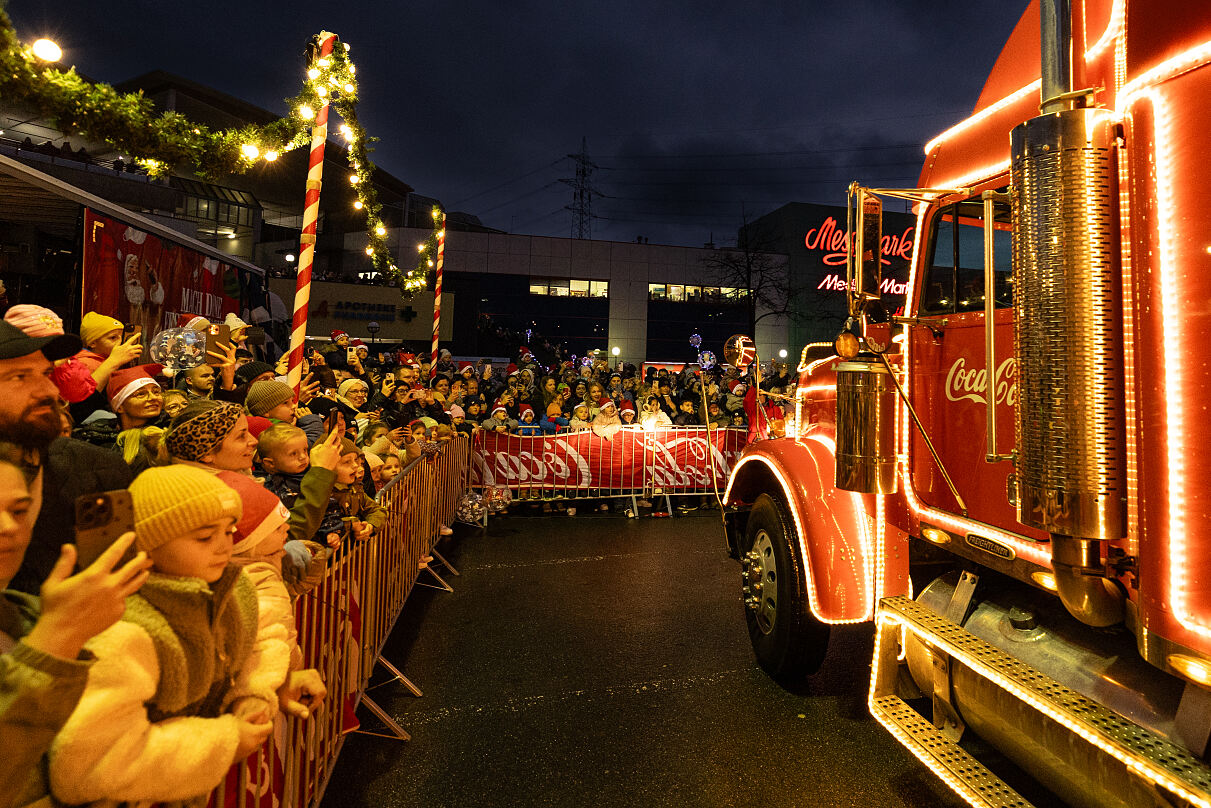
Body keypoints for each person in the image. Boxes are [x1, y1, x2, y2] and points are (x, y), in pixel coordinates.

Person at [47, 466, 283, 806]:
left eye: (229, 530)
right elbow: (90, 764)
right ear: (150, 545)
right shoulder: (124, 627)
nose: (223, 547)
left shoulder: (233, 588)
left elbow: (258, 639)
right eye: (204, 537)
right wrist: (226, 740)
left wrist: (252, 695)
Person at [0, 460, 152, 808]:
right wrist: (57, 640)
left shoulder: (24, 615)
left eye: (19, 510)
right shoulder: (51, 626)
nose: (8, 526)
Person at [0, 320, 136, 595]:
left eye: (47, 373)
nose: (51, 391)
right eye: (19, 377)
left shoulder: (97, 470)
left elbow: (118, 586)